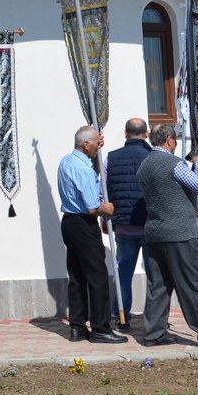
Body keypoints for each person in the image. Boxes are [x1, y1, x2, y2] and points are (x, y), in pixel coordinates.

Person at [137, 124, 198, 348]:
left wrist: (186, 205)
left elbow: (164, 195)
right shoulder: (175, 164)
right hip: (180, 233)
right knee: (193, 285)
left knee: (158, 287)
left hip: (155, 232)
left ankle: (154, 333)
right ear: (170, 140)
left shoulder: (144, 166)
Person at [57, 127, 126, 343]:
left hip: (69, 222)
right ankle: (100, 327)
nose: (99, 145)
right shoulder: (82, 169)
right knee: (97, 276)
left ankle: (77, 326)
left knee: (77, 276)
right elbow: (91, 207)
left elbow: (90, 178)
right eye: (96, 142)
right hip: (83, 223)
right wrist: (106, 209)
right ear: (86, 144)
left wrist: (97, 155)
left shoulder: (66, 161)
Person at [104, 117, 152, 322]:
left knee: (123, 273)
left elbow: (104, 191)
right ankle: (154, 317)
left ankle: (120, 315)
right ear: (146, 134)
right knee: (155, 275)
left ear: (125, 133)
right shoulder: (152, 156)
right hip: (150, 224)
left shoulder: (111, 158)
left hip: (123, 224)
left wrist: (106, 221)